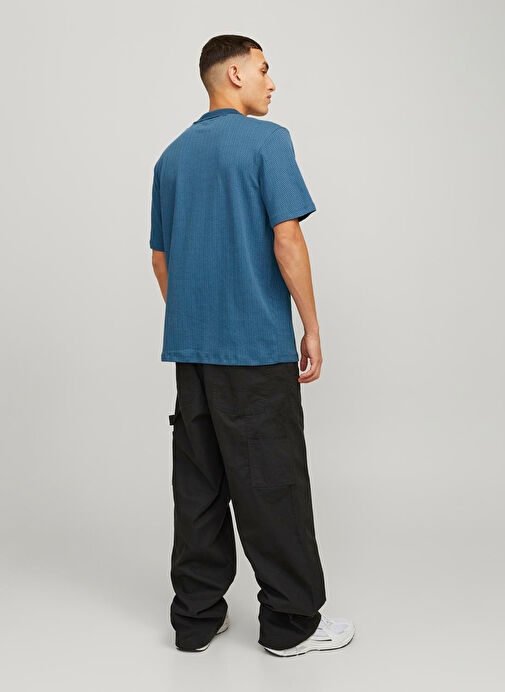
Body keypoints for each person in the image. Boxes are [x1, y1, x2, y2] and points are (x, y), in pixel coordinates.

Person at [149, 34, 355, 657]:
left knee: (201, 484)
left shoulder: (171, 157)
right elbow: (286, 238)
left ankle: (195, 619)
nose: (272, 81)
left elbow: (160, 259)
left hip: (193, 350)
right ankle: (292, 625)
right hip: (256, 348)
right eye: (263, 69)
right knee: (272, 483)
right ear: (234, 74)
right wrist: (310, 325)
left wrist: (196, 320)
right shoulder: (268, 141)